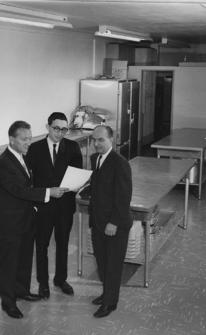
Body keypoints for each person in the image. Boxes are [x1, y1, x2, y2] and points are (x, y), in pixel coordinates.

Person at [0, 121, 68, 319]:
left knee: (25, 258)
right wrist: (48, 192)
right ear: (12, 139)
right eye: (24, 139)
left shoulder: (21, 157)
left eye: (30, 138)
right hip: (11, 223)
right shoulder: (3, 163)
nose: (29, 142)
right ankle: (8, 302)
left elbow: (26, 186)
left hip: (26, 219)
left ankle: (22, 291)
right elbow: (19, 190)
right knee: (9, 263)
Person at [27, 112, 83, 299]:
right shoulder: (34, 149)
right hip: (42, 207)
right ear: (47, 127)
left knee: (63, 244)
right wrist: (35, 202)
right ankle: (43, 283)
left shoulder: (73, 147)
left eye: (64, 129)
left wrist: (71, 189)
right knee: (41, 245)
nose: (60, 133)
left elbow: (78, 175)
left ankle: (61, 279)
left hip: (65, 206)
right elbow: (28, 180)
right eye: (56, 128)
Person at [89, 125, 132, 318]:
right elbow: (100, 187)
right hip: (98, 221)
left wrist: (113, 222)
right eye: (94, 140)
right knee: (102, 261)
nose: (96, 144)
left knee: (113, 265)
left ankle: (110, 303)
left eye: (101, 140)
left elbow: (123, 197)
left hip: (114, 224)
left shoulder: (120, 163)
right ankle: (107, 293)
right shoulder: (95, 159)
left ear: (111, 140)